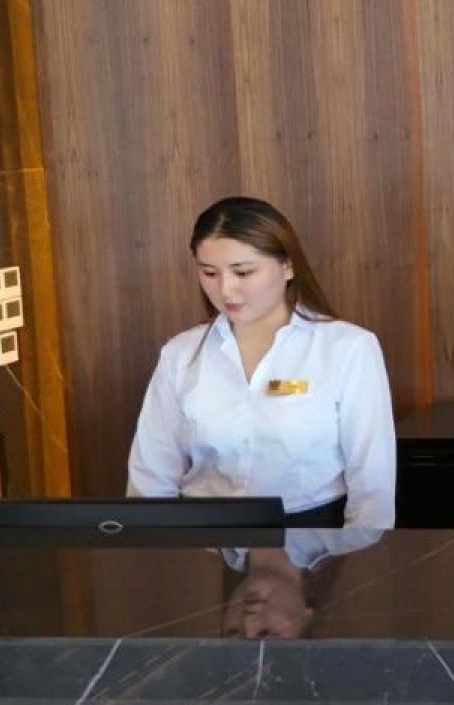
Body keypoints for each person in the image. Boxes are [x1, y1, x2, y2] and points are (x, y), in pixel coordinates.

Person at [128, 196, 396, 528]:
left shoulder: (348, 348)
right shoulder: (181, 353)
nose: (226, 289)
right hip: (204, 537)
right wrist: (154, 548)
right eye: (209, 273)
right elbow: (151, 476)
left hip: (314, 536)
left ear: (288, 266)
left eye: (243, 272)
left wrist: (359, 548)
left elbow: (372, 481)